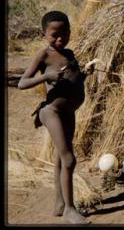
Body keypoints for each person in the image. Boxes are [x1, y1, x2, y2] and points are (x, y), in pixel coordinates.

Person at [18, 11, 94, 224]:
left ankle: (60, 203)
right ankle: (70, 209)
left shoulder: (70, 54)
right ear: (44, 34)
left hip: (68, 112)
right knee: (69, 158)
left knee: (61, 159)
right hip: (51, 111)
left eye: (65, 33)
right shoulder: (44, 55)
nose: (60, 38)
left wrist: (86, 73)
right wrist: (46, 76)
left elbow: (73, 80)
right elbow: (22, 83)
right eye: (54, 35)